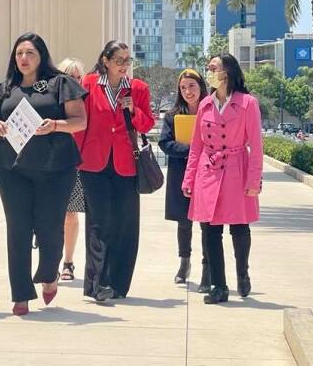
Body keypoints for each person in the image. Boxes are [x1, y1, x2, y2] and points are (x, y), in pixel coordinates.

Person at [0, 33, 87, 316]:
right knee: (17, 229)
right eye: (19, 53)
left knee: (49, 227)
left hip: (55, 169)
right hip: (11, 169)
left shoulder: (60, 84)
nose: (24, 58)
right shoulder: (5, 88)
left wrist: (55, 125)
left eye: (30, 53)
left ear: (41, 55)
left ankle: (49, 273)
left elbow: (80, 121)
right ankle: (20, 294)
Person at [75, 40, 155, 302]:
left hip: (126, 165)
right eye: (118, 60)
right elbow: (81, 124)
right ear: (106, 61)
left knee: (125, 224)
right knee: (99, 223)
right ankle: (97, 283)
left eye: (127, 61)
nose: (124, 66)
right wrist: (73, 159)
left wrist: (133, 109)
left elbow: (146, 124)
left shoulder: (138, 88)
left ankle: (119, 284)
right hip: (93, 163)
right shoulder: (88, 84)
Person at [181, 53, 263, 304]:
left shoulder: (248, 103)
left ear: (226, 72)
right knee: (209, 229)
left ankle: (242, 274)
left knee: (239, 227)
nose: (209, 72)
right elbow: (196, 146)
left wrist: (254, 181)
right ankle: (219, 285)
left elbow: (257, 145)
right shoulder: (206, 104)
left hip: (236, 169)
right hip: (208, 171)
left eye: (212, 68)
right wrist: (189, 178)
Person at [158, 68, 209, 288]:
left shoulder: (212, 111)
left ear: (201, 87)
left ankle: (209, 264)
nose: (188, 91)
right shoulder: (172, 115)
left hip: (208, 172)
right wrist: (191, 150)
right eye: (183, 87)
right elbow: (164, 143)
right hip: (181, 171)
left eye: (192, 86)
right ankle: (184, 261)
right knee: (183, 220)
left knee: (208, 222)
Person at [57, 57, 87, 282]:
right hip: (54, 162)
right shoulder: (52, 101)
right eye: (70, 77)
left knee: (70, 214)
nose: (76, 81)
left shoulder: (87, 101)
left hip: (77, 162)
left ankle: (68, 262)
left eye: (79, 77)